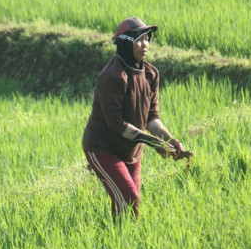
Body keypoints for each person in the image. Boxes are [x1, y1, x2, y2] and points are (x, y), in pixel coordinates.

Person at [82, 16, 192, 219]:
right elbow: (116, 124)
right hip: (103, 148)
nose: (145, 45)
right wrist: (153, 142)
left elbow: (152, 118)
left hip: (132, 149)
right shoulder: (113, 76)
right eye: (139, 40)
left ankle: (122, 243)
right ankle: (117, 243)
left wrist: (170, 140)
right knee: (128, 197)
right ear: (125, 42)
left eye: (148, 39)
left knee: (131, 204)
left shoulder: (151, 74)